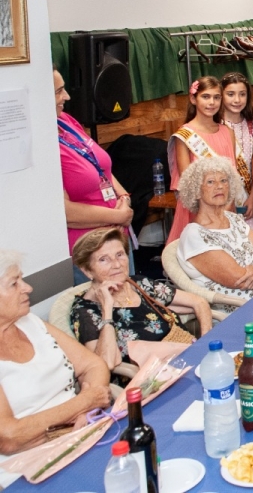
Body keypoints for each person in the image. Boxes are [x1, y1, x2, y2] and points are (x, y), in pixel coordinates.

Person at [0, 252, 111, 483]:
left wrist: (85, 413)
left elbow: (93, 364)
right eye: (14, 283)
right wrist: (84, 402)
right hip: (30, 469)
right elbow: (10, 437)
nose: (27, 288)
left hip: (81, 433)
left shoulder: (30, 322)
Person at [69, 227, 212, 369]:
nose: (117, 265)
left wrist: (204, 343)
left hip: (185, 359)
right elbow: (106, 364)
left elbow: (198, 302)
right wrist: (107, 308)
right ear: (87, 271)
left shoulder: (138, 284)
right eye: (103, 260)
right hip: (149, 379)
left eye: (120, 254)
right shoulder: (85, 310)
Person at [54, 68, 134, 283]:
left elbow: (99, 164)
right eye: (59, 91)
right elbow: (64, 212)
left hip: (117, 238)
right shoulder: (45, 145)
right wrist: (119, 216)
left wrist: (123, 197)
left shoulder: (66, 121)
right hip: (91, 252)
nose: (67, 97)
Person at [176, 157, 253, 312]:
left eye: (224, 181)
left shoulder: (233, 219)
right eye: (210, 182)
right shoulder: (194, 235)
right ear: (196, 191)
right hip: (239, 311)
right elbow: (239, 280)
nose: (219, 186)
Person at [166, 76, 238, 244]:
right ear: (193, 99)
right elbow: (188, 182)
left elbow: (232, 175)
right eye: (205, 97)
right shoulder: (184, 135)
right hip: (197, 209)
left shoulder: (227, 132)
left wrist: (225, 209)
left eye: (216, 97)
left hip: (226, 205)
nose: (211, 102)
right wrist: (208, 217)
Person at [219, 72, 253, 232]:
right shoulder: (216, 126)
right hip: (224, 198)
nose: (237, 100)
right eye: (230, 94)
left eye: (242, 94)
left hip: (249, 196)